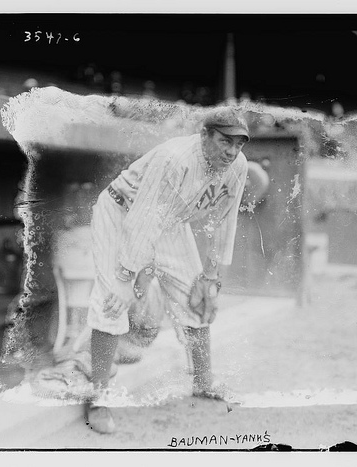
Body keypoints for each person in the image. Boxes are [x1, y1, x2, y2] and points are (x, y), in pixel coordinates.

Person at [86, 107, 250, 434]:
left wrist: (210, 276)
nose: (232, 151)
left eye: (239, 143)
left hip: (168, 222)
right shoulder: (175, 159)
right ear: (204, 135)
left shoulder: (237, 166)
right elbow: (141, 222)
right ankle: (98, 397)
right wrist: (125, 276)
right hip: (122, 213)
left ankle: (203, 382)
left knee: (197, 296)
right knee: (111, 303)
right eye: (224, 141)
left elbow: (224, 221)